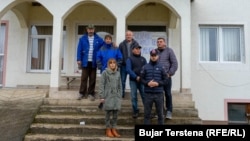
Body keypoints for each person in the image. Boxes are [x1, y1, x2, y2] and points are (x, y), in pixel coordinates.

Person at [76, 24, 104, 101]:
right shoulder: (82, 39)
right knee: (84, 78)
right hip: (85, 61)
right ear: (87, 30)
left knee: (92, 78)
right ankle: (82, 93)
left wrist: (112, 44)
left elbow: (105, 45)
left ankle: (91, 93)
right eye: (89, 29)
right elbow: (79, 50)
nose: (91, 31)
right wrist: (78, 59)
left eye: (92, 29)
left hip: (94, 62)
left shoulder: (98, 39)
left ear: (94, 30)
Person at [140, 49, 167, 125]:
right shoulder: (145, 67)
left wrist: (158, 83)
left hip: (159, 94)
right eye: (152, 56)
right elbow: (141, 79)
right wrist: (147, 83)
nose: (153, 57)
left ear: (158, 56)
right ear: (150, 56)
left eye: (155, 55)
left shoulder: (162, 67)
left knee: (160, 115)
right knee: (147, 115)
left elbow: (166, 80)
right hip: (148, 94)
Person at [98, 58, 122, 138]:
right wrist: (101, 96)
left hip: (116, 97)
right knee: (108, 114)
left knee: (115, 114)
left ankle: (114, 128)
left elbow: (120, 85)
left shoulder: (118, 73)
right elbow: (101, 85)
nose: (112, 64)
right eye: (110, 63)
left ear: (116, 64)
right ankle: (108, 129)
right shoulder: (105, 73)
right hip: (107, 96)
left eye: (114, 63)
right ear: (108, 64)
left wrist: (120, 94)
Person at [156, 37, 178, 119]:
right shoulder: (155, 52)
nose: (159, 43)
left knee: (168, 94)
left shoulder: (169, 51)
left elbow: (175, 64)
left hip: (166, 77)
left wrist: (169, 73)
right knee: (159, 94)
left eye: (161, 42)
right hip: (157, 78)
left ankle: (169, 111)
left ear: (165, 43)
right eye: (158, 42)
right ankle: (161, 111)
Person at [126, 45, 147, 118]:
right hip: (133, 81)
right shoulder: (129, 59)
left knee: (145, 96)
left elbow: (146, 69)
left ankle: (147, 111)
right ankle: (135, 111)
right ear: (132, 50)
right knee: (134, 96)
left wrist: (141, 77)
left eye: (139, 49)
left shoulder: (143, 59)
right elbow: (128, 69)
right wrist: (135, 77)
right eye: (136, 49)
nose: (138, 50)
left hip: (142, 81)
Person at [119, 30, 139, 98]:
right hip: (124, 65)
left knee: (133, 80)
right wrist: (120, 62)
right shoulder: (121, 44)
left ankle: (133, 95)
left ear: (132, 36)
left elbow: (138, 54)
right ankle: (122, 94)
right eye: (127, 35)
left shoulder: (136, 44)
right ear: (125, 36)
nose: (128, 36)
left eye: (130, 35)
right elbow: (119, 54)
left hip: (133, 66)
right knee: (122, 80)